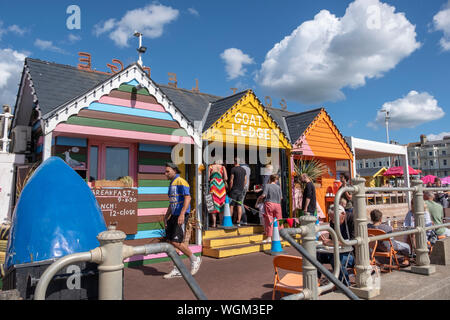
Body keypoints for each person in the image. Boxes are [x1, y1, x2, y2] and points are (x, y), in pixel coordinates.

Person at [163, 163, 201, 279]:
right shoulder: (171, 184)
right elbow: (172, 202)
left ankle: (195, 259)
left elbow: (188, 198)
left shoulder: (181, 181)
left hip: (180, 215)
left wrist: (182, 214)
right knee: (170, 242)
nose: (165, 174)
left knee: (176, 242)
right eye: (165, 171)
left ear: (174, 170)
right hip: (173, 215)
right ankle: (177, 268)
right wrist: (166, 216)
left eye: (167, 171)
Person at [317, 204, 355, 285]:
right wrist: (325, 240)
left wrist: (332, 243)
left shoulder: (352, 219)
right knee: (316, 256)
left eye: (334, 218)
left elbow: (352, 241)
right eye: (331, 218)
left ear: (343, 214)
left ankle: (344, 285)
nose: (333, 221)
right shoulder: (332, 222)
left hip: (354, 254)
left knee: (337, 260)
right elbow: (332, 240)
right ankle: (316, 282)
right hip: (337, 251)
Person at [257, 174, 283, 243]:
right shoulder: (278, 187)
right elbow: (281, 198)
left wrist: (259, 198)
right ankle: (280, 236)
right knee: (279, 220)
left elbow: (264, 195)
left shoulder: (267, 185)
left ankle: (269, 237)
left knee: (269, 220)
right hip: (278, 204)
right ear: (276, 180)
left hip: (269, 204)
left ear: (270, 179)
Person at [208, 160, 228, 228]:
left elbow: (207, 178)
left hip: (213, 186)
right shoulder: (223, 167)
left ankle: (213, 223)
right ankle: (221, 222)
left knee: (213, 204)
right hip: (221, 187)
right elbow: (225, 178)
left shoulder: (210, 167)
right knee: (221, 204)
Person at [229, 157, 247, 226]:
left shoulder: (233, 169)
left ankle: (230, 220)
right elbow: (245, 180)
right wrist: (242, 186)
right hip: (240, 190)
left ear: (235, 162)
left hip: (234, 190)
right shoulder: (243, 170)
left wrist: (230, 189)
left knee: (232, 206)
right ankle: (238, 221)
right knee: (239, 205)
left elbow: (231, 180)